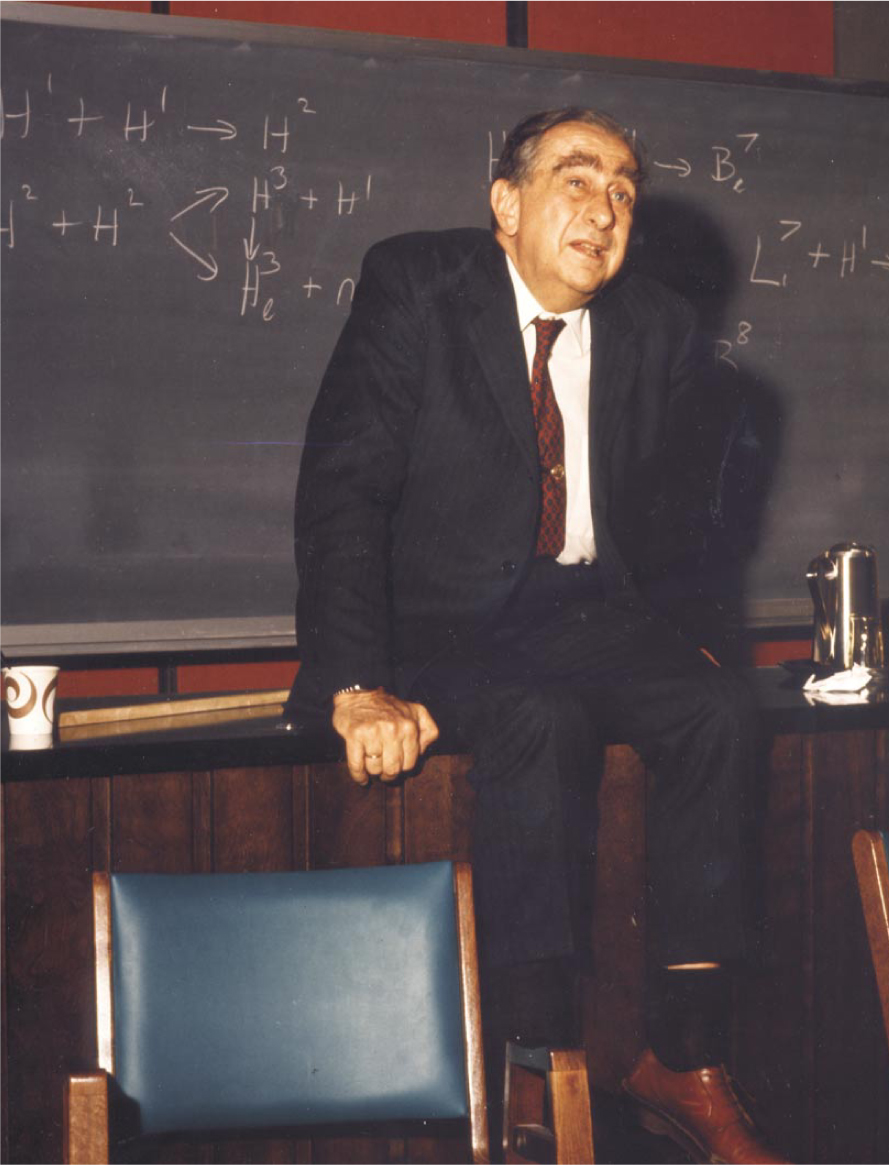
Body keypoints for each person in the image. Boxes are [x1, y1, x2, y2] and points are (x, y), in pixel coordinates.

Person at [289, 107, 788, 1165]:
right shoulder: (416, 286)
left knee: (717, 710)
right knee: (536, 719)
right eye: (576, 178)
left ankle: (685, 1059)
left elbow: (684, 515)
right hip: (442, 626)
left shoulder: (655, 323)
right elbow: (344, 491)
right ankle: (535, 1067)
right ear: (505, 205)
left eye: (623, 190)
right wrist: (354, 682)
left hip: (591, 613)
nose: (604, 207)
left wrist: (693, 636)